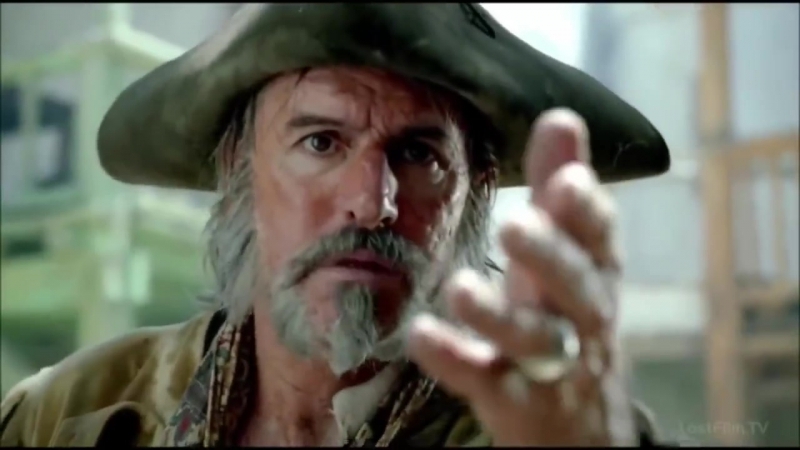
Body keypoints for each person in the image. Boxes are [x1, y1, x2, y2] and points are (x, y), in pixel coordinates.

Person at [0, 3, 672, 447]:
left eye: (420, 155)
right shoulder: (63, 416)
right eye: (321, 142)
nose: (372, 203)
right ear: (239, 169)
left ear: (476, 192)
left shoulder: (543, 430)